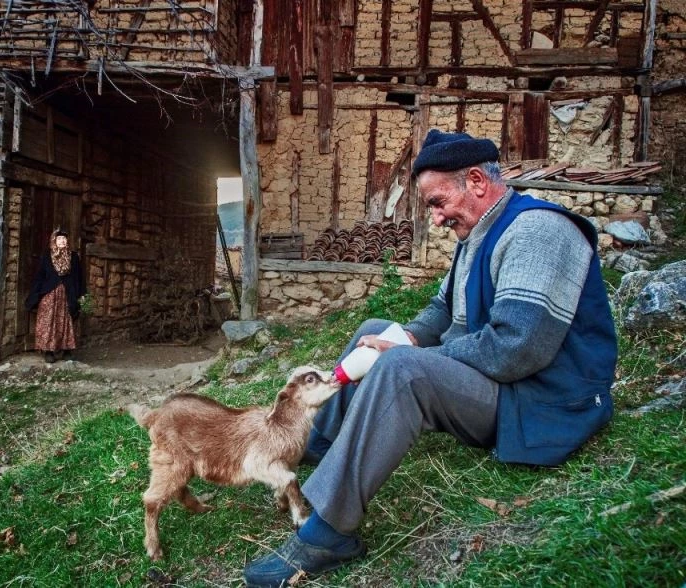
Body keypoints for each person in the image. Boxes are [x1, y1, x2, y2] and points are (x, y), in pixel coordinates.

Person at [243, 130, 618, 587]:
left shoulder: (539, 232)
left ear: (477, 181)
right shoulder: (479, 234)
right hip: (507, 385)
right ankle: (320, 450)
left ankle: (328, 532)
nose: (436, 219)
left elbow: (517, 349)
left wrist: (411, 353)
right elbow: (441, 311)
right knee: (374, 334)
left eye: (439, 203)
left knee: (401, 367)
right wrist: (405, 338)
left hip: (542, 401)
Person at [25, 229, 86, 363]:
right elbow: (40, 275)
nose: (62, 241)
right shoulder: (47, 256)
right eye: (59, 239)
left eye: (64, 239)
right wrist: (36, 294)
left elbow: (79, 277)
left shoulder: (73, 256)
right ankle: (48, 351)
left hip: (67, 293)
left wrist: (81, 294)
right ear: (54, 241)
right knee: (48, 321)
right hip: (50, 294)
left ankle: (67, 350)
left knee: (66, 320)